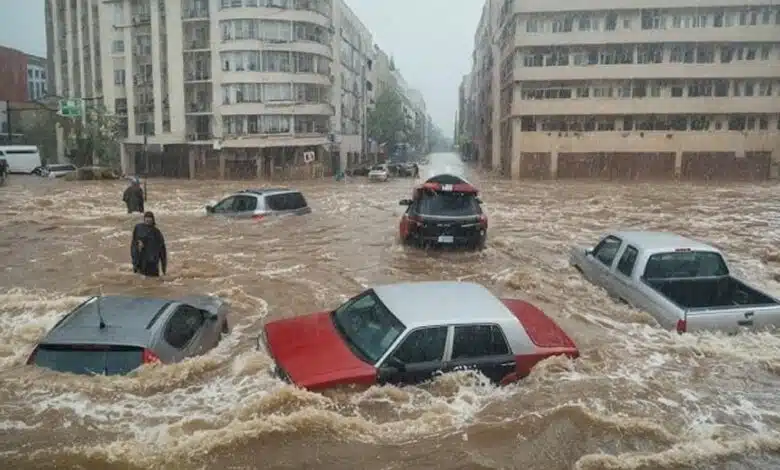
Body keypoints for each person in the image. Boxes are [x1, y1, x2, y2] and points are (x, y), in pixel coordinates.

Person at [131, 211, 167, 277]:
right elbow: (133, 243)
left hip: (152, 264)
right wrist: (134, 262)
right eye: (146, 218)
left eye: (150, 218)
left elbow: (162, 251)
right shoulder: (138, 228)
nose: (148, 220)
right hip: (140, 261)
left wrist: (163, 268)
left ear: (153, 220)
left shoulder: (157, 232)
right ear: (144, 219)